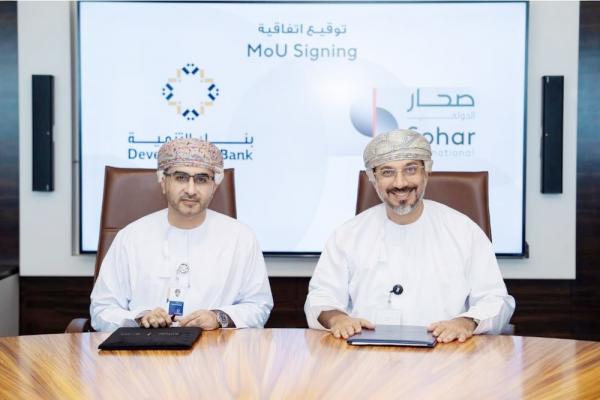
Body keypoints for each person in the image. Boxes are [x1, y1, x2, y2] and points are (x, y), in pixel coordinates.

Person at [305, 129, 515, 343]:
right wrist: (337, 319)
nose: (400, 183)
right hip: (365, 353)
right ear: (373, 178)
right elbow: (321, 297)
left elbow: (496, 300)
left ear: (426, 172)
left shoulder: (464, 231)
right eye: (387, 172)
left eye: (411, 169)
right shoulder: (347, 235)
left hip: (446, 352)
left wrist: (466, 322)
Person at [90, 138, 273, 331]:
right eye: (181, 178)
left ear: (214, 186)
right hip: (145, 347)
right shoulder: (130, 237)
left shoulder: (241, 238)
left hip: (216, 346)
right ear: (163, 182)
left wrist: (218, 317)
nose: (191, 190)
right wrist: (139, 318)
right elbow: (102, 310)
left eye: (201, 179)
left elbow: (259, 305)